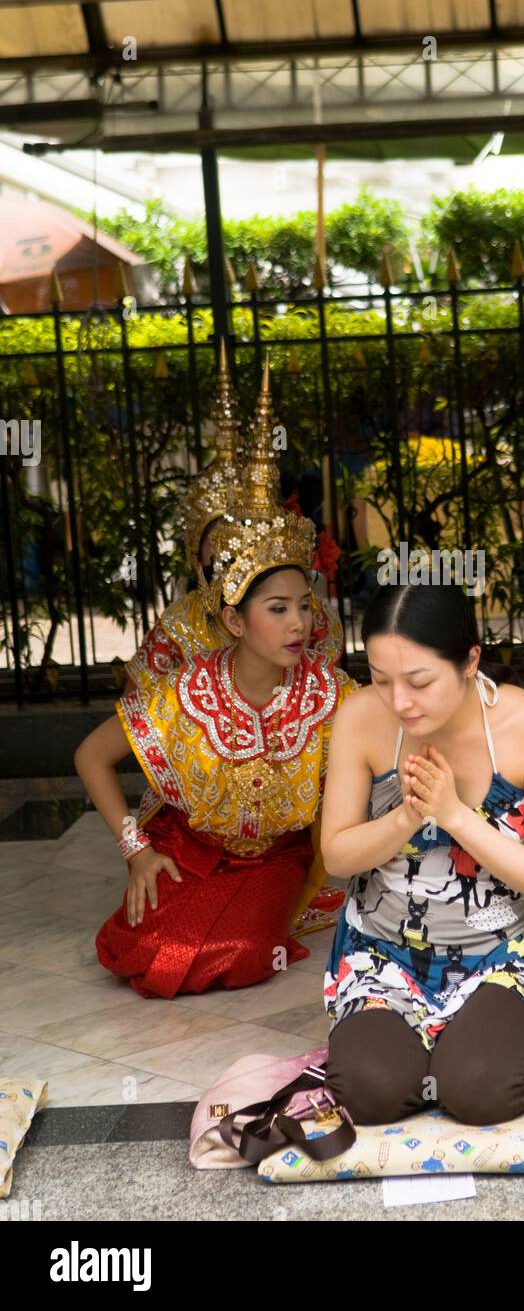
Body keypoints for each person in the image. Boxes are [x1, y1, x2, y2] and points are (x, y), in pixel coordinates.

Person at [75, 366, 358, 998]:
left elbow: (385, 756)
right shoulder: (186, 684)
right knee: (135, 952)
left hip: (280, 852)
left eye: (303, 606)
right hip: (189, 835)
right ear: (232, 615)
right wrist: (136, 849)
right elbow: (93, 754)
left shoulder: (331, 690)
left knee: (242, 951)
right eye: (277, 609)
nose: (298, 623)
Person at [319, 578, 524, 1127]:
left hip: (506, 949)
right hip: (384, 951)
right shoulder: (361, 719)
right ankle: (417, 1043)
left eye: (418, 681)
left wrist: (454, 814)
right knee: (370, 1093)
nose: (399, 701)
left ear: (469, 661)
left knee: (480, 1091)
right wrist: (408, 815)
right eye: (381, 679)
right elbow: (337, 857)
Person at [124, 341, 342, 697]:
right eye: (224, 549)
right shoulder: (180, 631)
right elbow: (137, 718)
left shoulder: (315, 624)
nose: (241, 557)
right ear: (197, 559)